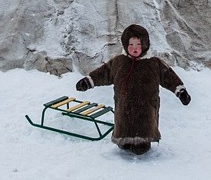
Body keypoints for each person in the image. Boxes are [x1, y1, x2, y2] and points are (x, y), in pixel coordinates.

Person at [75, 24, 191, 155]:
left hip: (146, 107)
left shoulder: (153, 63)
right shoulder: (120, 62)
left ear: (145, 44)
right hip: (124, 106)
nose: (135, 48)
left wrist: (180, 91)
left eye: (138, 44)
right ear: (125, 45)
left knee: (144, 127)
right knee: (124, 122)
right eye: (131, 44)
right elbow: (104, 73)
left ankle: (143, 142)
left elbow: (168, 77)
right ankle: (124, 140)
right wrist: (88, 81)